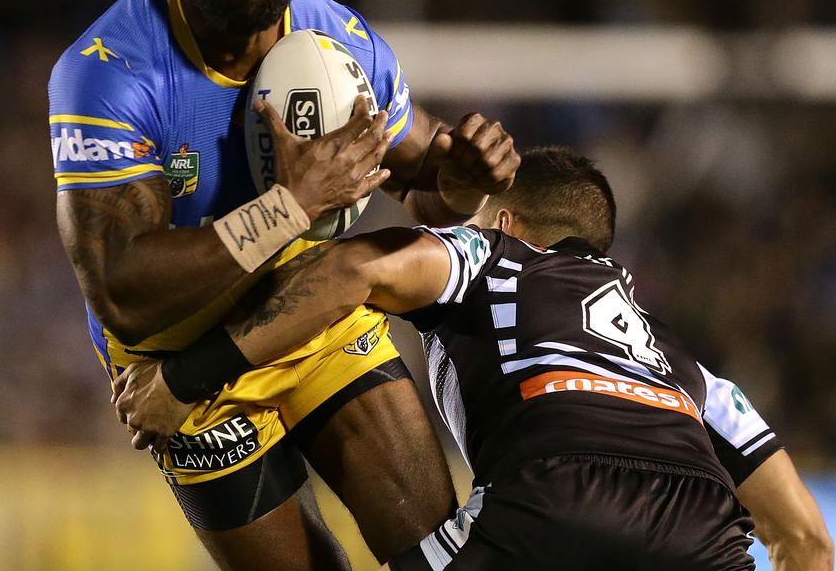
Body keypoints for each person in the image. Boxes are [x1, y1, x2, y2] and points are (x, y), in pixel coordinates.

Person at [48, 0, 519, 570]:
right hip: (176, 364)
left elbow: (425, 186)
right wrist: (289, 210)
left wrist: (461, 180)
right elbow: (123, 291)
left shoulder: (342, 40)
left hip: (306, 315)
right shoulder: (108, 72)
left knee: (443, 561)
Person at [114, 146, 834, 570]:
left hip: (554, 497)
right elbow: (804, 537)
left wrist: (191, 375)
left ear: (510, 222)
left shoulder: (495, 256)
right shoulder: (685, 366)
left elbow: (354, 273)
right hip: (703, 532)